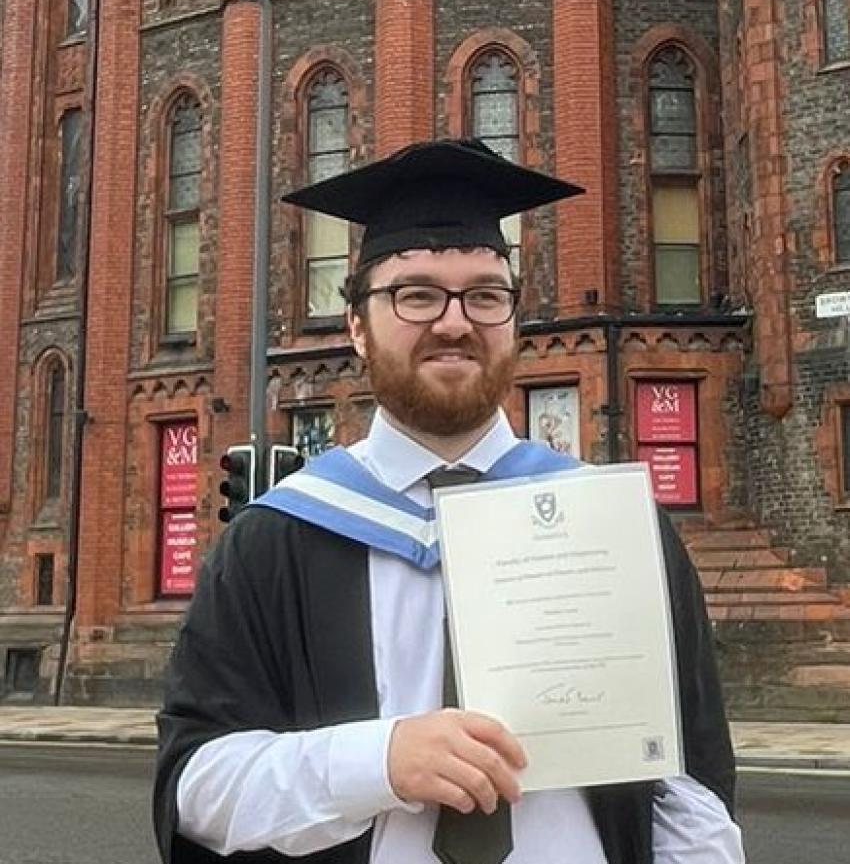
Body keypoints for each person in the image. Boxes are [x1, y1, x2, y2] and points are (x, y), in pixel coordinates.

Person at [153, 138, 743, 864]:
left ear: (513, 321)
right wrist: (379, 760)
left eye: (485, 294)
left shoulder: (614, 526)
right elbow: (196, 788)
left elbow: (689, 784)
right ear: (357, 327)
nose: (455, 321)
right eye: (416, 292)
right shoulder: (274, 540)